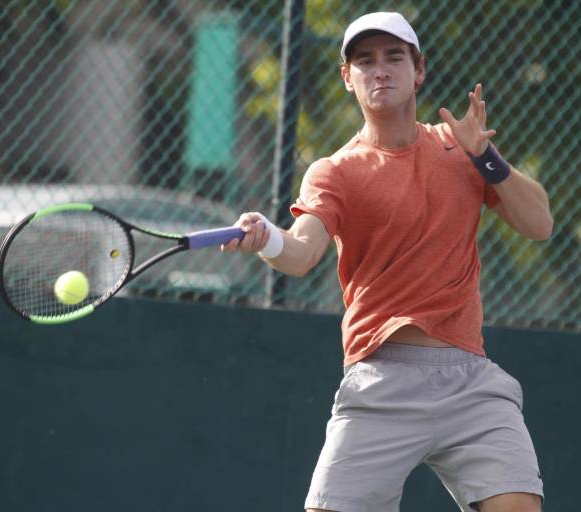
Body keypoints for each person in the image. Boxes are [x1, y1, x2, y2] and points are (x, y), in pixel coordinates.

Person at [222, 11, 552, 512]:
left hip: (470, 381)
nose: (380, 70)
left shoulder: (460, 149)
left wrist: (486, 158)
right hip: (380, 380)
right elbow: (301, 252)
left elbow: (539, 224)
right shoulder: (335, 171)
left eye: (394, 58)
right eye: (364, 61)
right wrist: (267, 237)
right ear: (347, 78)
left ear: (418, 71)